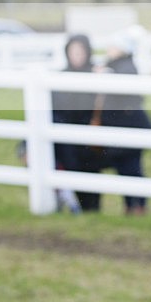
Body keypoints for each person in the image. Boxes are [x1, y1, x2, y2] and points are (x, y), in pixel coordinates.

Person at [92, 29, 150, 216]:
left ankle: (138, 205)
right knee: (124, 168)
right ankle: (130, 205)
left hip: (130, 126)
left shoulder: (125, 67)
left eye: (114, 45)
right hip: (120, 126)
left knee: (132, 168)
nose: (109, 49)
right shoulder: (115, 65)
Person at [50, 34, 98, 213]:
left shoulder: (96, 73)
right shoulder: (60, 77)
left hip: (90, 139)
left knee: (90, 174)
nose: (77, 55)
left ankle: (90, 209)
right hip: (67, 139)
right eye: (73, 51)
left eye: (80, 51)